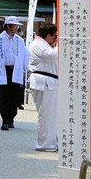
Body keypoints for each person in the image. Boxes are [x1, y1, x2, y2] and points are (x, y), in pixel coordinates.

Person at [0, 16, 28, 131]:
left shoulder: (19, 40)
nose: (16, 28)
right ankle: (5, 120)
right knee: (4, 96)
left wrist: (28, 69)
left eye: (17, 26)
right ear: (8, 26)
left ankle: (11, 118)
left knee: (14, 97)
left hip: (15, 70)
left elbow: (25, 56)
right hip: (3, 70)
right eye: (14, 25)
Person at [28, 22, 59, 152]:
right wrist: (61, 44)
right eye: (55, 36)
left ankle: (51, 141)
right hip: (43, 81)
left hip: (49, 81)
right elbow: (51, 56)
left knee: (52, 114)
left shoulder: (44, 44)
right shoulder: (38, 44)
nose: (56, 39)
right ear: (48, 35)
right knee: (46, 114)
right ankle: (44, 143)